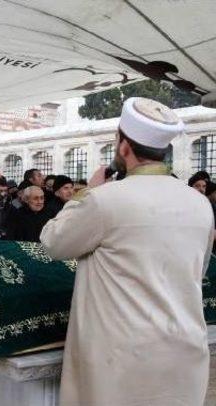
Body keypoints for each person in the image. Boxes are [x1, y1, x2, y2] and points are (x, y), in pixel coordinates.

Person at [41, 97, 214, 406]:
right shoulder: (199, 203)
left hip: (121, 360)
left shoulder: (104, 199)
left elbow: (53, 242)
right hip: (183, 351)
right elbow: (196, 271)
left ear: (123, 146)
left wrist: (86, 192)